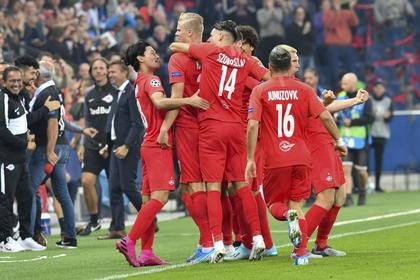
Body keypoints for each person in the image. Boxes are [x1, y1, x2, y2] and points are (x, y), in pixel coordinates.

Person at [170, 20, 271, 263]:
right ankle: (257, 239)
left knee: (213, 187)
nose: (209, 39)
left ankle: (217, 244)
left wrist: (188, 46)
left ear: (222, 39)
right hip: (236, 127)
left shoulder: (210, 52)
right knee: (240, 185)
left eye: (213, 35)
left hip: (211, 127)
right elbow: (267, 77)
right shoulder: (246, 61)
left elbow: (176, 46)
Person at [246, 45, 347, 265]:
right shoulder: (304, 89)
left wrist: (250, 158)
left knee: (275, 205)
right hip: (302, 157)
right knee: (297, 205)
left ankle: (288, 219)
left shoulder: (260, 90)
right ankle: (301, 253)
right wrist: (339, 141)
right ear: (288, 66)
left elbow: (253, 125)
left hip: (275, 158)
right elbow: (326, 117)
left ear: (270, 66)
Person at [116, 40, 209, 267]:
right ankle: (129, 240)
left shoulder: (138, 82)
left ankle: (147, 252)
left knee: (148, 199)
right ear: (140, 59)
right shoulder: (152, 79)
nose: (157, 56)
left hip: (148, 143)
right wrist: (190, 100)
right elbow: (159, 103)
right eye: (151, 53)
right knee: (161, 197)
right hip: (159, 144)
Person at [157, 12, 214, 263]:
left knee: (193, 185)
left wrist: (165, 127)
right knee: (214, 185)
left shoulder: (178, 58)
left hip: (189, 125)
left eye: (180, 29)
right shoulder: (214, 53)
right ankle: (228, 238)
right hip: (214, 123)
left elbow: (177, 98)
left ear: (190, 33)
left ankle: (207, 242)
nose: (176, 32)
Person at [303, 67, 369, 257]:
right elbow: (321, 111)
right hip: (318, 146)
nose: (297, 64)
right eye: (294, 60)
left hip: (328, 145)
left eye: (310, 76)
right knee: (326, 197)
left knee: (339, 196)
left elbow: (325, 108)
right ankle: (299, 247)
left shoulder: (312, 93)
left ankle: (321, 244)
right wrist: (339, 139)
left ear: (316, 77)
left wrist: (355, 100)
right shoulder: (296, 90)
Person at [225, 25, 276, 261]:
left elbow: (267, 86)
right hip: (237, 132)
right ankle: (252, 240)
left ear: (249, 46)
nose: (237, 45)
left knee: (248, 189)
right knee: (238, 190)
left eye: (241, 42)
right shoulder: (234, 64)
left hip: (251, 134)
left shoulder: (251, 65)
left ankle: (260, 242)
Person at [28, 60, 77, 248]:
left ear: (38, 75)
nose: (31, 75)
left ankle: (31, 236)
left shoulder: (47, 93)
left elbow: (52, 123)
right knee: (62, 193)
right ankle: (70, 237)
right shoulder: (53, 90)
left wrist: (49, 150)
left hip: (49, 149)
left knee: (30, 189)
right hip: (62, 147)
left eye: (34, 72)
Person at [0, 66, 45, 251]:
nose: (17, 84)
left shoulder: (18, 98)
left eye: (19, 80)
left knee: (26, 196)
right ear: (4, 82)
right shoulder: (2, 98)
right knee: (6, 199)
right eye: (12, 81)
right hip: (5, 158)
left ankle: (25, 236)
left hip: (20, 158)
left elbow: (21, 122)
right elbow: (1, 129)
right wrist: (24, 144)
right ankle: (4, 239)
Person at [98, 60, 143, 239]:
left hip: (127, 147)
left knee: (127, 186)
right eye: (109, 72)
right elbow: (115, 123)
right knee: (114, 188)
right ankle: (117, 228)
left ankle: (149, 218)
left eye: (113, 72)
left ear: (125, 72)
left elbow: (137, 124)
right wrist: (109, 146)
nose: (110, 75)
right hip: (116, 147)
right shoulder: (119, 93)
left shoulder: (131, 92)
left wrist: (126, 145)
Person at [78, 58, 117, 236]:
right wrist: (82, 143)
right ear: (91, 72)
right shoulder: (89, 93)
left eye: (102, 68)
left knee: (116, 185)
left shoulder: (116, 92)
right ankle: (94, 220)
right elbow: (86, 120)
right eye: (95, 68)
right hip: (93, 146)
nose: (99, 71)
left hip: (111, 145)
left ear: (107, 70)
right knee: (86, 181)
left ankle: (118, 223)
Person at [337, 73, 374, 206]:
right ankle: (348, 197)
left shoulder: (364, 97)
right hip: (345, 140)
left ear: (353, 83)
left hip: (360, 141)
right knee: (346, 170)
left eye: (345, 83)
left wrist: (351, 122)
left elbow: (370, 118)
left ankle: (363, 191)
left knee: (361, 171)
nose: (342, 86)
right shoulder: (340, 97)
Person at [370, 78, 393, 193]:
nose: (379, 90)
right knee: (364, 162)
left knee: (379, 161)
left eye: (381, 87)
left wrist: (388, 116)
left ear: (384, 89)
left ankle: (377, 185)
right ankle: (365, 185)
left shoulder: (388, 101)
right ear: (373, 88)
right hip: (370, 133)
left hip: (382, 134)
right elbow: (366, 116)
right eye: (377, 87)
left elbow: (390, 117)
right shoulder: (368, 100)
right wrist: (371, 115)